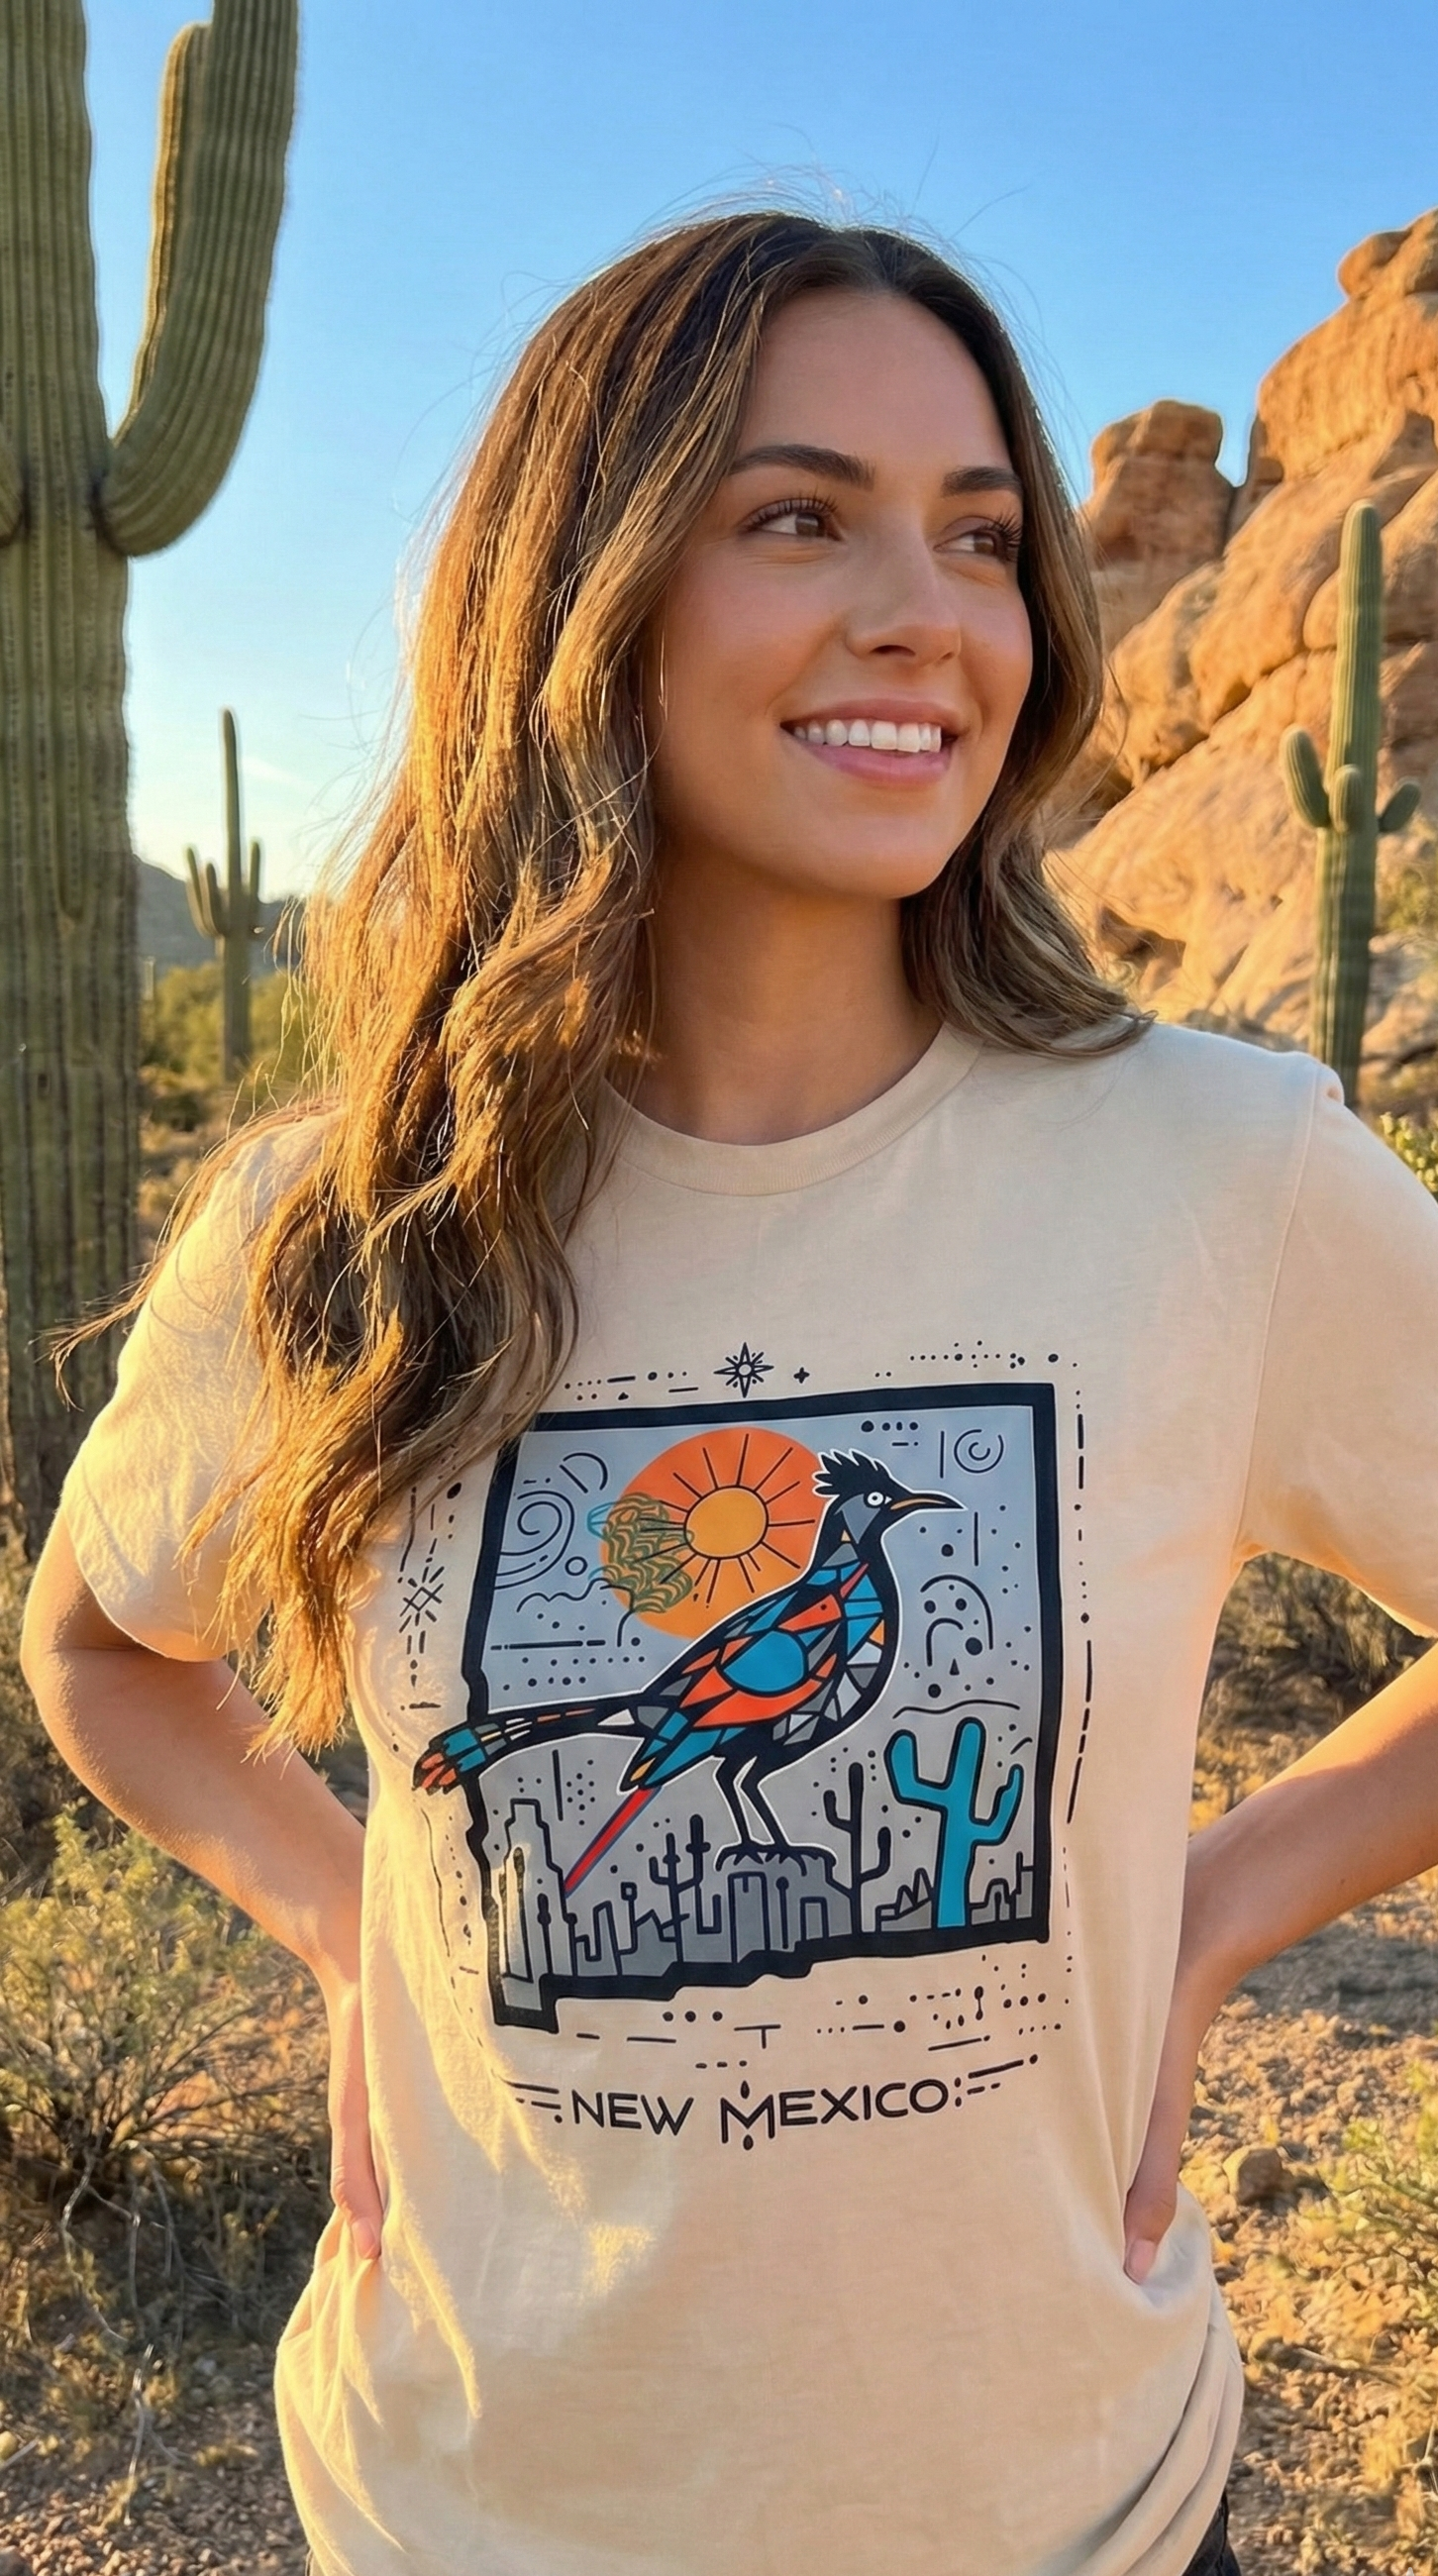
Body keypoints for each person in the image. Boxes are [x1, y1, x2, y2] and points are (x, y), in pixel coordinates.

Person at [21, 210, 1438, 2576]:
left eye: (982, 539)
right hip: (476, 2505)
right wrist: (347, 1921)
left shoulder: (1225, 1171)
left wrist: (1207, 1912)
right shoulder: (347, 1213)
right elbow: (99, 1645)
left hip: (1062, 2503)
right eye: (800, 517)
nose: (930, 613)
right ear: (587, 588)